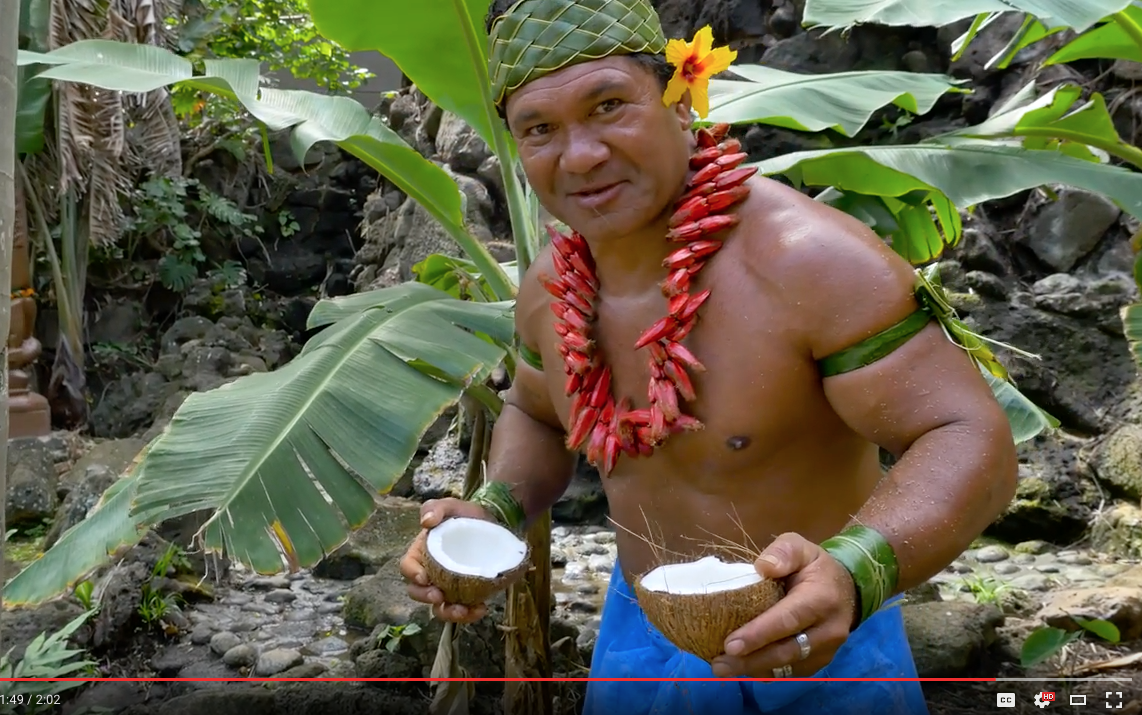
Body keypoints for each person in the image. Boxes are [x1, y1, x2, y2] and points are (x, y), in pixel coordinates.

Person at [399, 0, 1020, 712]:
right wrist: (493, 510)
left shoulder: (809, 260)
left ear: (679, 99)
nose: (580, 155)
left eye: (608, 106)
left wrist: (853, 573)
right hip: (639, 641)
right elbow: (537, 414)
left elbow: (969, 434)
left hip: (817, 639)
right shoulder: (549, 289)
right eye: (540, 130)